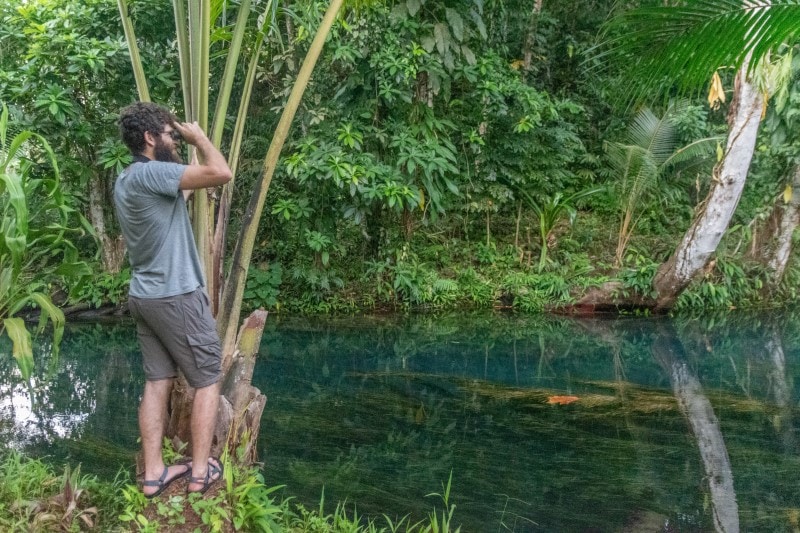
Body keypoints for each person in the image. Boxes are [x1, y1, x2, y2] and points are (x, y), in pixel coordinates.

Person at [114, 102, 233, 497]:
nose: (175, 142)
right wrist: (200, 139)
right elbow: (221, 173)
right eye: (170, 135)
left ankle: (153, 475)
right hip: (176, 296)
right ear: (150, 138)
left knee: (157, 381)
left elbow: (173, 204)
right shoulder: (155, 173)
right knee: (207, 379)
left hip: (144, 297)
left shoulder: (127, 179)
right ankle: (200, 473)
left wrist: (188, 156)